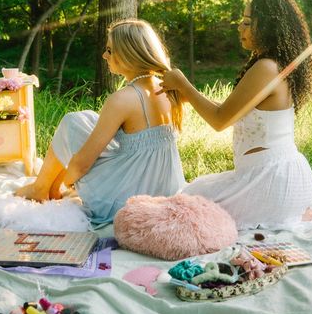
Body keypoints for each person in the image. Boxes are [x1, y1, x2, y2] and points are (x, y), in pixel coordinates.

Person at [158, 0, 312, 230]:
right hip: (285, 176)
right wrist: (188, 97)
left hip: (272, 181)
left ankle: (279, 211)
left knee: (185, 204)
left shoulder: (266, 67)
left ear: (268, 27)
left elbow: (221, 120)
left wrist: (183, 83)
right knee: (194, 193)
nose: (239, 28)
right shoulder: (275, 64)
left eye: (247, 22)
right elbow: (231, 110)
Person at [15, 19, 185, 225]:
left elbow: (82, 164)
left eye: (110, 50)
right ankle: (45, 186)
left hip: (126, 198)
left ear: (128, 54)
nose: (105, 56)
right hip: (164, 189)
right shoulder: (169, 88)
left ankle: (42, 188)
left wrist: (69, 184)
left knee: (70, 124)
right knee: (81, 120)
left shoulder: (123, 99)